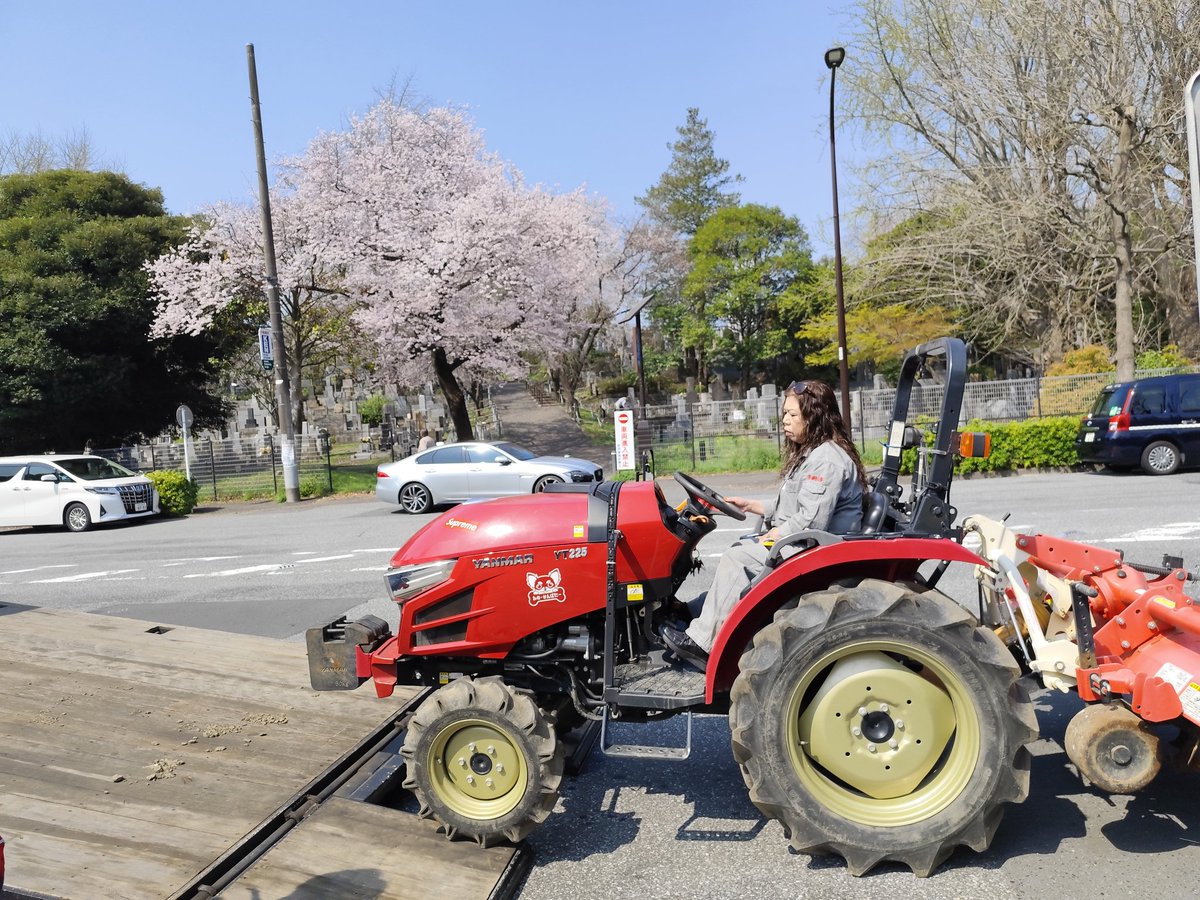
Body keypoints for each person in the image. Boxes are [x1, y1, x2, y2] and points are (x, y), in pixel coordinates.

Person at [661, 379, 868, 670]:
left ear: (816, 416)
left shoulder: (827, 461)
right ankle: (692, 613)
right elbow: (794, 506)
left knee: (737, 558)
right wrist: (752, 505)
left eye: (793, 415)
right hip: (807, 540)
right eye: (784, 413)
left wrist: (773, 535)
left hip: (816, 547)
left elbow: (811, 520)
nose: (785, 420)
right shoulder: (812, 453)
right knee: (741, 548)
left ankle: (702, 644)